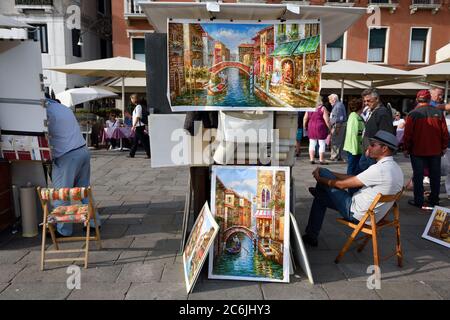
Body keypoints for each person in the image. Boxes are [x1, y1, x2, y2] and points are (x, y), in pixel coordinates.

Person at [302, 130, 403, 247]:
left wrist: (321, 180)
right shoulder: (395, 168)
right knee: (321, 197)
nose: (369, 148)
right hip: (372, 216)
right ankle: (311, 234)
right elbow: (355, 178)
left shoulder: (379, 170)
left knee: (323, 174)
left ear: (384, 148)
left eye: (373, 145)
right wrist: (331, 173)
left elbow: (342, 185)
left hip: (355, 212)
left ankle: (321, 192)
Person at [45, 98, 101, 237]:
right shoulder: (63, 108)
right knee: (84, 191)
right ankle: (95, 223)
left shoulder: (47, 110)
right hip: (82, 150)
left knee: (62, 194)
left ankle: (63, 230)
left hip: (66, 155)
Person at [403, 90, 449, 208]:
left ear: (417, 100)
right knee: (435, 176)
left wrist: (406, 148)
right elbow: (445, 133)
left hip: (417, 151)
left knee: (418, 176)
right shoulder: (438, 112)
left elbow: (408, 134)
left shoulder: (413, 114)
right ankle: (434, 199)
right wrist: (443, 147)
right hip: (435, 150)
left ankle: (419, 200)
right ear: (429, 99)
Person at [358, 88, 395, 173]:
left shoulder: (382, 113)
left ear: (377, 99)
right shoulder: (374, 111)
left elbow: (385, 134)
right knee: (363, 169)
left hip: (374, 151)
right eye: (365, 101)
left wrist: (372, 148)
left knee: (370, 173)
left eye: (368, 101)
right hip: (369, 149)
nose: (366, 103)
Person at [304, 98, 331, 165]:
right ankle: (321, 160)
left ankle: (312, 159)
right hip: (320, 127)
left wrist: (304, 126)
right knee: (322, 144)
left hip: (311, 127)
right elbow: (327, 120)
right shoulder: (322, 108)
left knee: (312, 143)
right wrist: (330, 128)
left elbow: (305, 118)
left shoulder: (309, 108)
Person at [343, 98, 365, 176]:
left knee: (355, 167)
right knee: (352, 168)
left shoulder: (357, 116)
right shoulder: (354, 117)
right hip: (354, 148)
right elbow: (354, 134)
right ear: (360, 107)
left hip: (356, 147)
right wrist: (355, 149)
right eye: (363, 105)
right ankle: (351, 186)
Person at [128, 94, 150, 159]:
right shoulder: (137, 107)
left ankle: (149, 154)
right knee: (135, 141)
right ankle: (132, 153)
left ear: (134, 99)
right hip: (138, 126)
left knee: (143, 141)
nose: (131, 100)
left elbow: (138, 116)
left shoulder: (138, 106)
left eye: (131, 99)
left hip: (139, 127)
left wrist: (134, 126)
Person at [328, 94, 347, 162]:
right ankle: (339, 156)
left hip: (338, 125)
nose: (329, 101)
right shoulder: (338, 105)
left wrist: (337, 128)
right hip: (339, 125)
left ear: (334, 99)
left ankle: (334, 156)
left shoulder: (338, 106)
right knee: (339, 141)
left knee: (335, 141)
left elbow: (339, 118)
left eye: (330, 100)